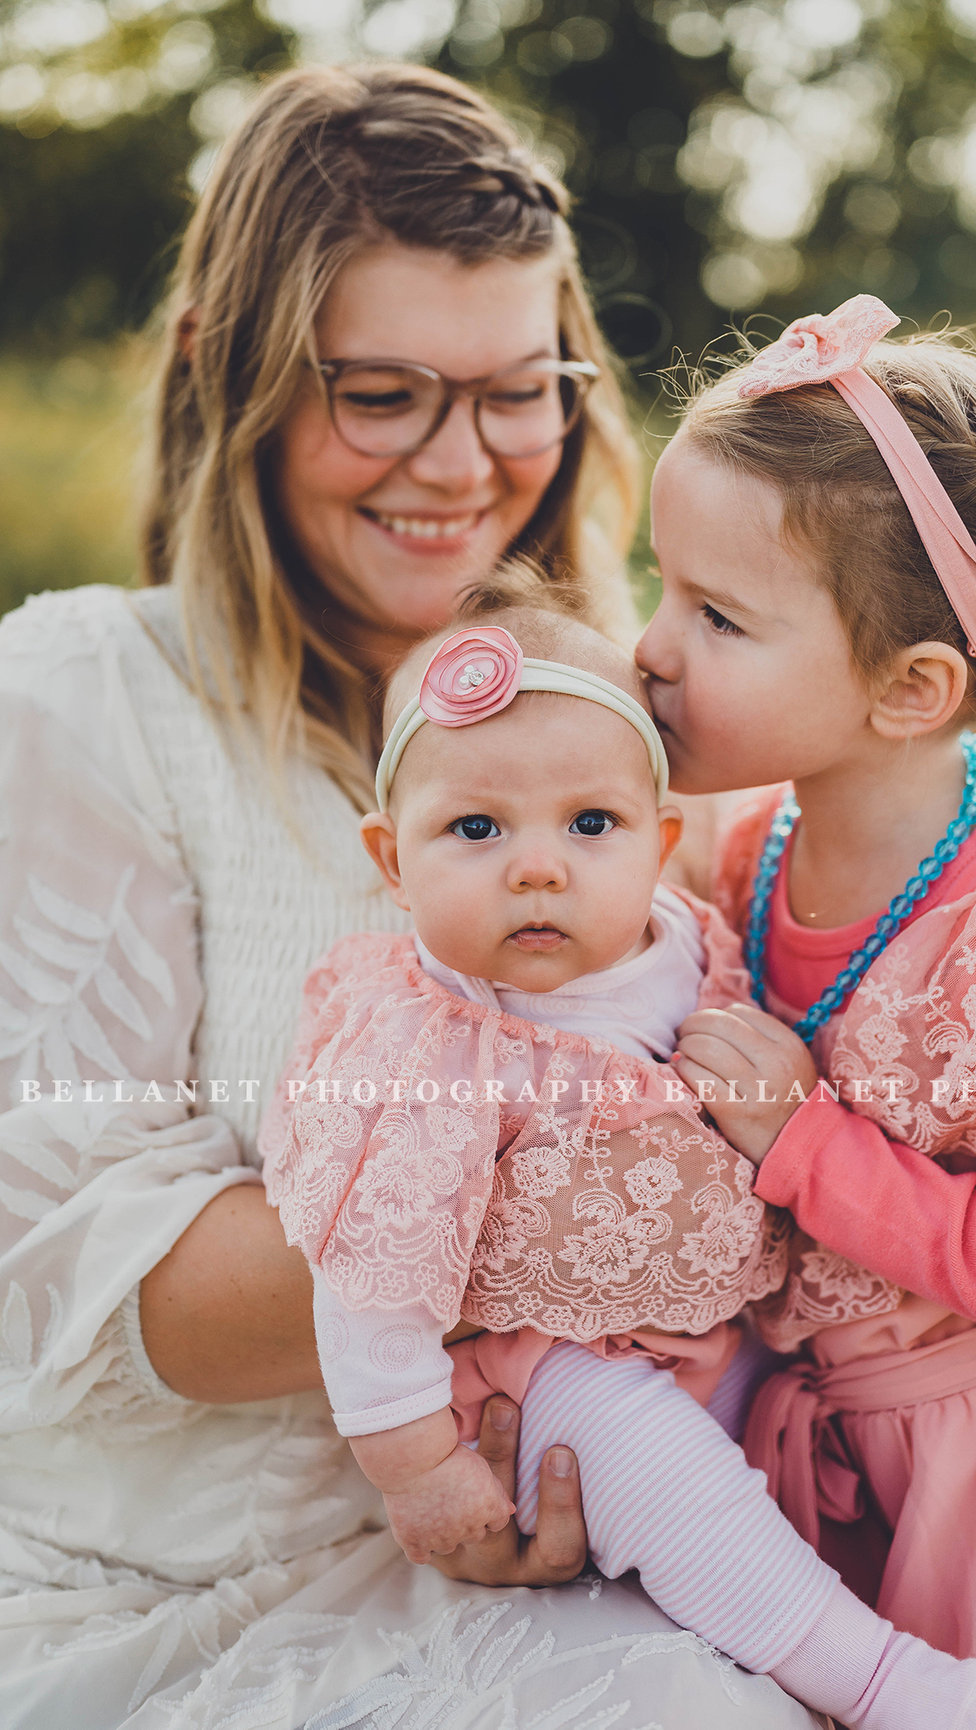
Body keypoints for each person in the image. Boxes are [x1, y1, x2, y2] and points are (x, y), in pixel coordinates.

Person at [0, 63, 823, 1730]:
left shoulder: (622, 707)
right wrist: (652, 1214)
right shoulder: (86, 695)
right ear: (224, 378)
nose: (463, 467)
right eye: (379, 393)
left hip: (610, 1528)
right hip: (173, 1576)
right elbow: (70, 1260)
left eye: (522, 390)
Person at [260, 600, 976, 1730]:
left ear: (659, 844)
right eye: (474, 829)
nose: (537, 869)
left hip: (698, 1331)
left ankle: (845, 1613)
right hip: (531, 1374)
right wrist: (417, 1468)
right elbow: (368, 1267)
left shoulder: (681, 945)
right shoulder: (424, 1037)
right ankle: (877, 1683)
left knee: (779, 1450)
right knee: (673, 1484)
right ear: (391, 860)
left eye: (589, 823)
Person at [635, 293, 976, 1729]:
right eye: (657, 585)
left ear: (910, 689)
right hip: (814, 1446)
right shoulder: (746, 852)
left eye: (716, 615)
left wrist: (803, 1144)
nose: (649, 645)